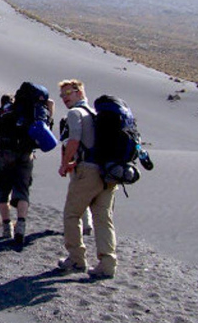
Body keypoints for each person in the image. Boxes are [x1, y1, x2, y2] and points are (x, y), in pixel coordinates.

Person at [57, 79, 118, 278]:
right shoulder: (96, 114)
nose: (65, 97)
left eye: (68, 92)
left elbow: (74, 140)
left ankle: (76, 259)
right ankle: (107, 264)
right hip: (108, 174)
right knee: (103, 218)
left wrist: (65, 163)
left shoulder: (75, 113)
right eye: (62, 95)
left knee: (72, 215)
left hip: (87, 173)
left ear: (79, 92)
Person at [0, 93, 33, 244]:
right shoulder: (24, 111)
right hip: (25, 154)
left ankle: (6, 227)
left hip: (5, 154)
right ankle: (21, 225)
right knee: (22, 190)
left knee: (2, 190)